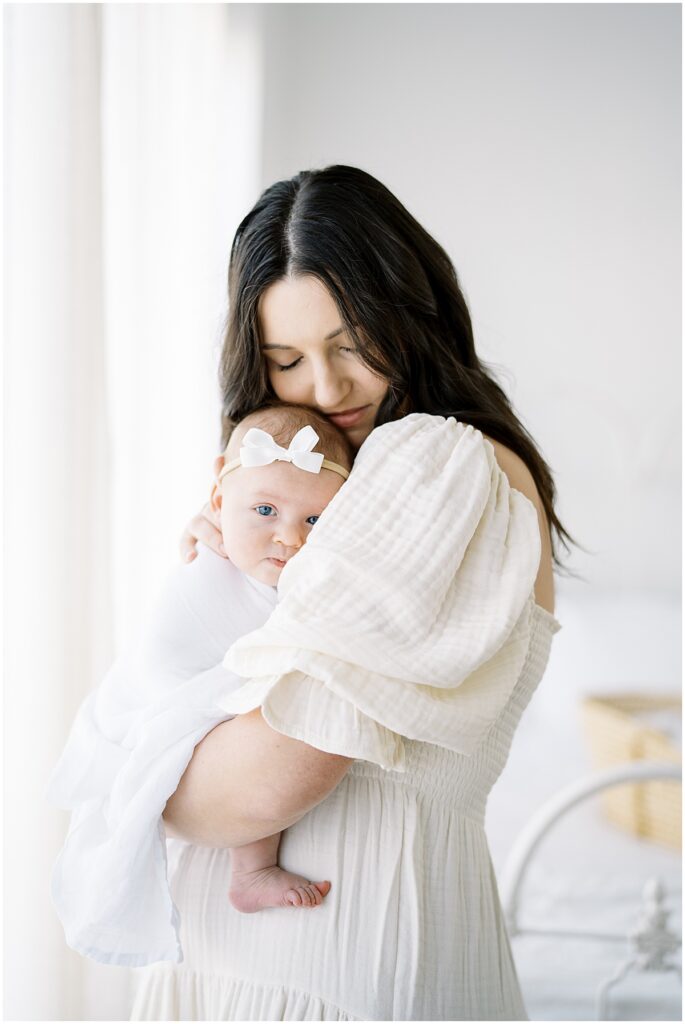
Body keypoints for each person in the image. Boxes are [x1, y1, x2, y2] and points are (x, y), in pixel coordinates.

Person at [130, 164, 578, 1020]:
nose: (327, 391)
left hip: (339, 950)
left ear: (414, 314)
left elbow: (267, 782)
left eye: (352, 343)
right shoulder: (323, 491)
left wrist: (140, 787)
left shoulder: (435, 464)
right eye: (286, 359)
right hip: (264, 951)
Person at [46, 404, 354, 966]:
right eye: (265, 510)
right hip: (161, 691)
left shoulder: (286, 568)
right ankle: (253, 868)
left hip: (221, 717)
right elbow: (171, 652)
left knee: (259, 718)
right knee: (251, 709)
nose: (290, 539)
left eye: (315, 522)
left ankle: (250, 871)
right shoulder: (209, 555)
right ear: (217, 502)